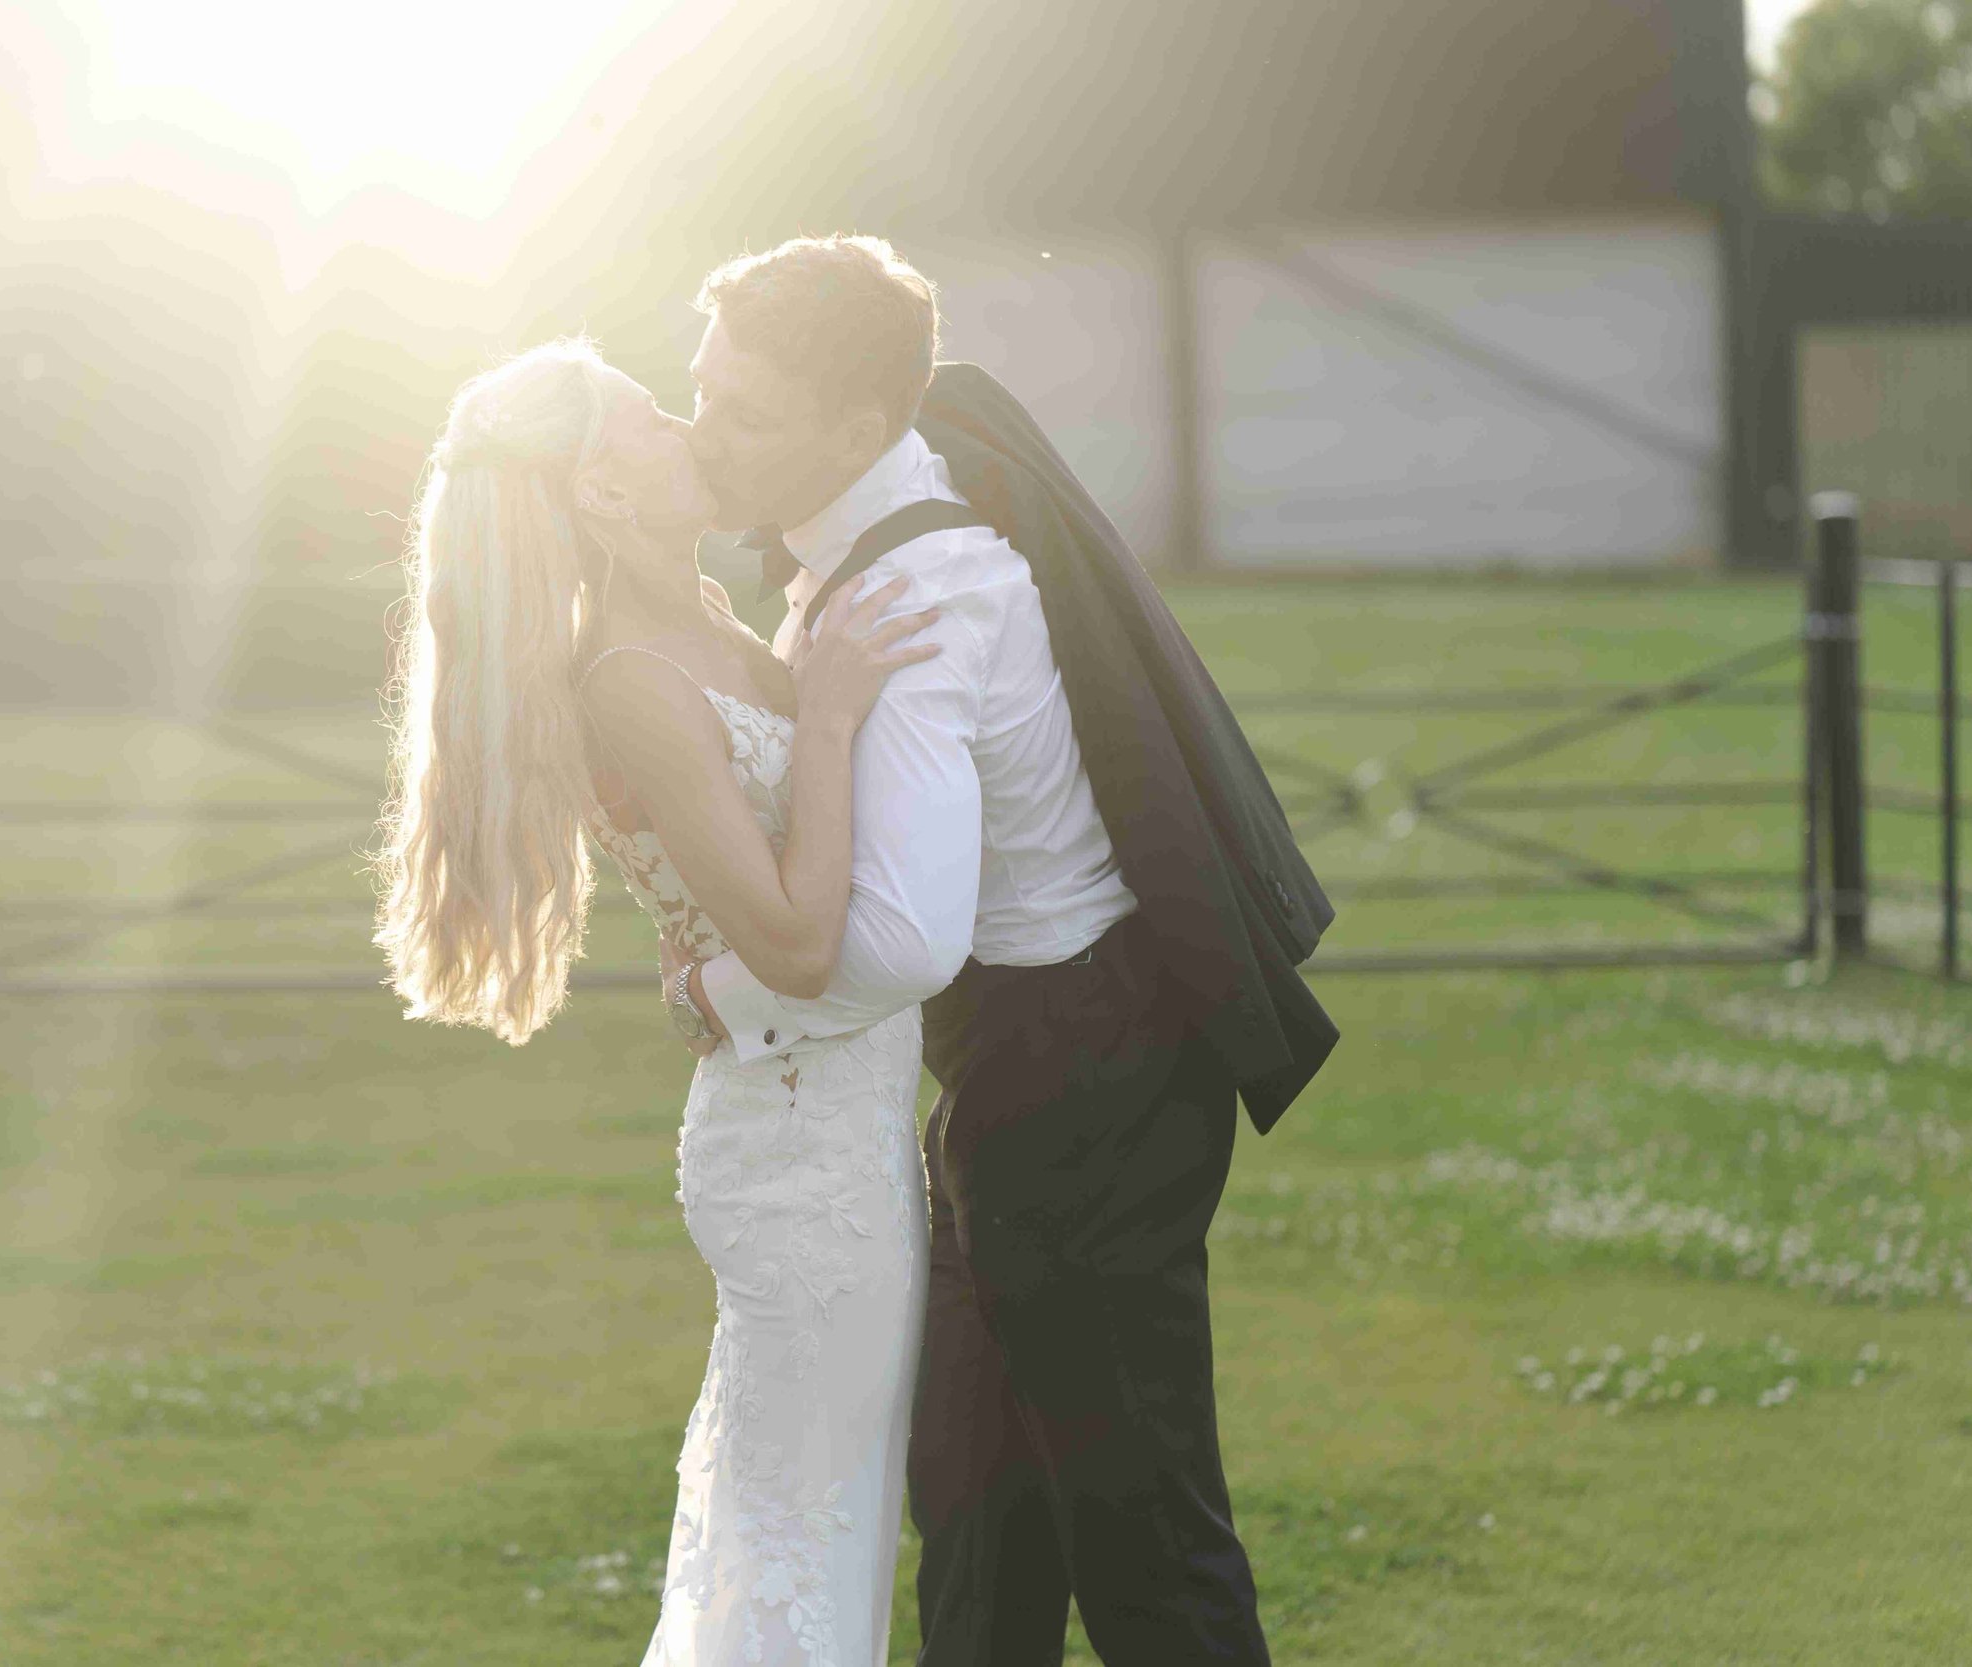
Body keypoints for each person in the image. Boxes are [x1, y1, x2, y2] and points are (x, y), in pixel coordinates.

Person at [668, 234, 1340, 1665]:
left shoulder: (917, 605)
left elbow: (908, 939)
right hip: (1027, 1077)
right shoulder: (883, 524)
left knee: (1145, 1541)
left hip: (1085, 1076)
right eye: (701, 392)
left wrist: (723, 996)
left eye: (743, 413)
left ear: (857, 429)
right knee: (980, 1528)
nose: (700, 434)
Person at [372, 337, 947, 1667]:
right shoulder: (632, 679)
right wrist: (838, 718)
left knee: (819, 1540)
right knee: (799, 1544)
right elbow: (801, 943)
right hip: (798, 1169)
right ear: (602, 494)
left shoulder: (715, 623)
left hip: (844, 1135)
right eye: (647, 416)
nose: (686, 422)